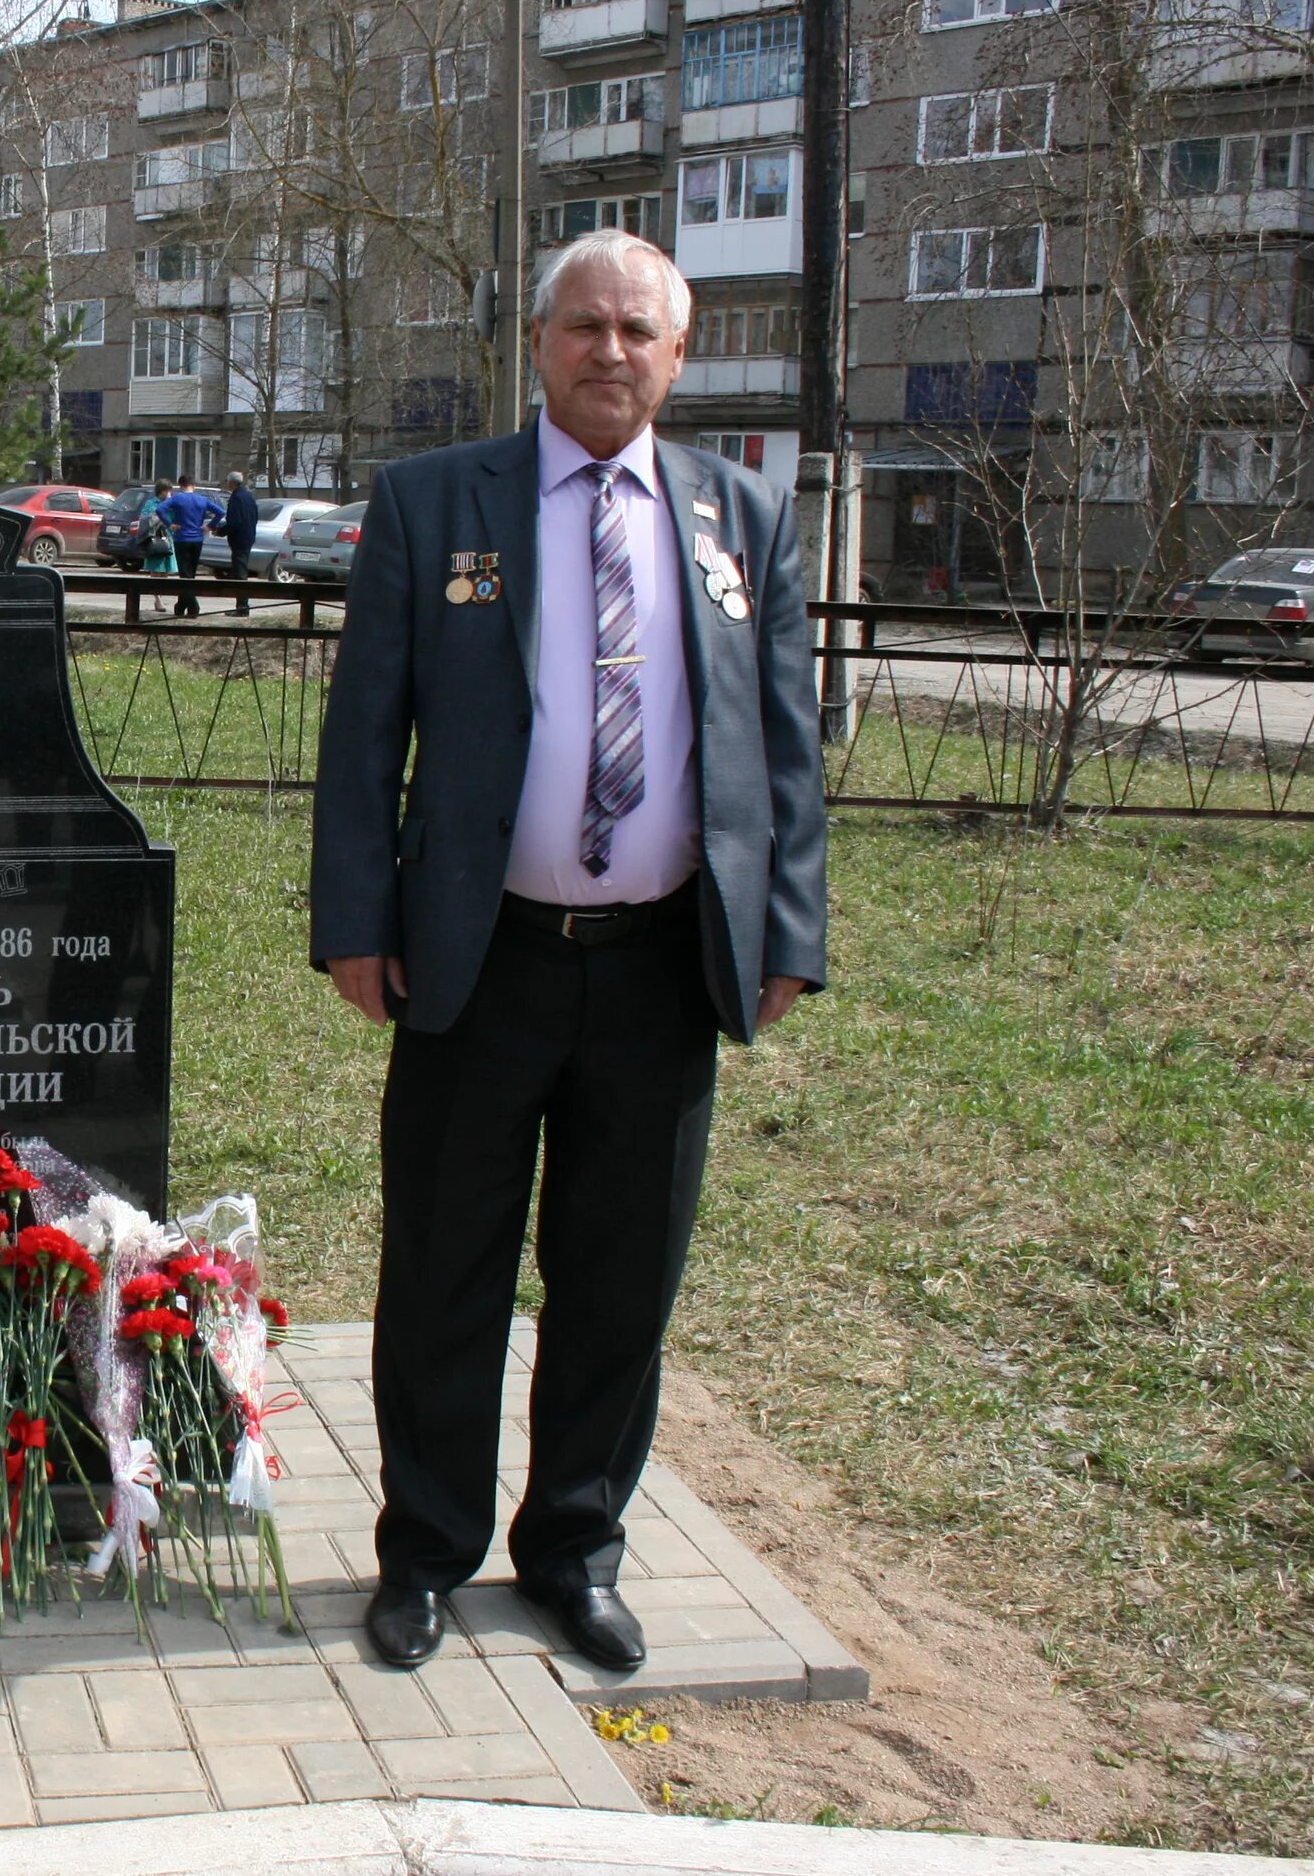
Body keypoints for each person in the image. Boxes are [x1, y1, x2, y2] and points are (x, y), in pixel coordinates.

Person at [308, 228, 827, 1675]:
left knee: (619, 1279)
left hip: (663, 967)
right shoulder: (433, 503)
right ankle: (423, 1553)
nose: (611, 352)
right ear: (538, 341)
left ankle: (574, 1553)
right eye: (585, 325)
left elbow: (785, 751)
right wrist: (356, 921)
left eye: (639, 332)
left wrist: (790, 931)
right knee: (445, 1270)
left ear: (680, 351)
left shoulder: (744, 520)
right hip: (478, 961)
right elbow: (365, 740)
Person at [159, 474, 220, 617]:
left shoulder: (176, 499)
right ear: (194, 485)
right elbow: (220, 512)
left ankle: (193, 607)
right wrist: (210, 526)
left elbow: (160, 510)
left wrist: (170, 524)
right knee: (190, 574)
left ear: (180, 486)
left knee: (185, 575)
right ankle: (180, 607)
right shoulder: (202, 500)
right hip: (197, 539)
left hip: (181, 539)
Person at [221, 471, 261, 615]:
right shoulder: (249, 496)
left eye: (227, 482)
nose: (227, 484)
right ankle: (242, 606)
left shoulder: (236, 498)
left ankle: (242, 608)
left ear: (232, 483)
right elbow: (255, 516)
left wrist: (221, 531)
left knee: (240, 573)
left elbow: (235, 522)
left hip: (239, 539)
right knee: (240, 571)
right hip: (248, 537)